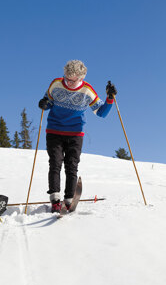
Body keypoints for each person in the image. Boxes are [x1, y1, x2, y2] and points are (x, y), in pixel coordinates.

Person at [38, 59, 117, 213]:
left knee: (71, 165)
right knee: (55, 163)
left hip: (75, 133)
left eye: (73, 80)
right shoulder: (56, 84)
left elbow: (101, 113)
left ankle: (68, 199)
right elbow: (48, 101)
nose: (69, 82)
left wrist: (110, 98)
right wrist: (44, 104)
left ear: (81, 78)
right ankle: (55, 200)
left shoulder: (87, 90)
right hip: (54, 130)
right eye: (67, 78)